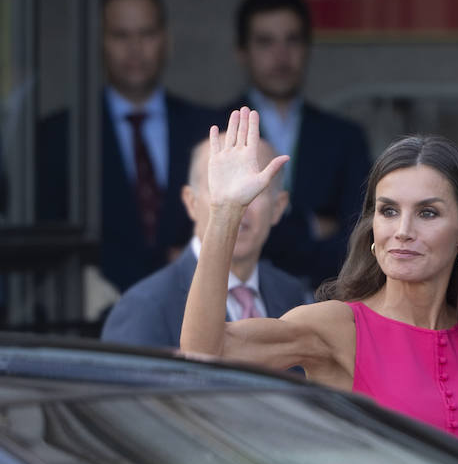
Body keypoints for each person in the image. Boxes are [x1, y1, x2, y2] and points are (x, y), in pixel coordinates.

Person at [180, 108, 458, 464]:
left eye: (428, 213)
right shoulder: (337, 328)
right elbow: (205, 353)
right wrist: (225, 212)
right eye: (388, 211)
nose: (403, 230)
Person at [38, 0, 216, 292]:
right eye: (120, 35)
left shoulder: (207, 129)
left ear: (166, 40)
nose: (134, 49)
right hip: (91, 317)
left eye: (146, 34)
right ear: (99, 42)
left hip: (191, 307)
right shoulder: (57, 136)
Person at [102, 135, 309, 348]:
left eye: (255, 189)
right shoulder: (145, 307)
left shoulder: (291, 296)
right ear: (191, 203)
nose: (239, 203)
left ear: (278, 207)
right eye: (222, 188)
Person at [227, 0, 371, 286]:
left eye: (292, 40)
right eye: (265, 42)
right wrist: (309, 226)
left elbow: (359, 238)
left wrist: (266, 237)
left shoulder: (345, 137)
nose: (281, 55)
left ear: (307, 47)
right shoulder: (216, 132)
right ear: (242, 52)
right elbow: (211, 236)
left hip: (324, 298)